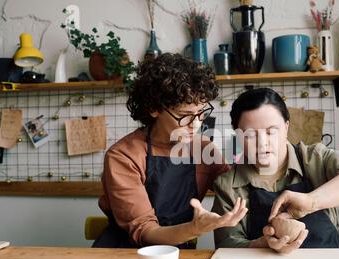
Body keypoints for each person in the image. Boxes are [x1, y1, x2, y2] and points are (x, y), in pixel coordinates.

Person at [94, 53, 247, 248]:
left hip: (178, 252)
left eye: (201, 113)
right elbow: (145, 231)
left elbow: (235, 186)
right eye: (185, 116)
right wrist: (195, 229)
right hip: (125, 254)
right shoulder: (124, 156)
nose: (196, 124)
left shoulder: (203, 149)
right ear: (154, 108)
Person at [212, 88, 339, 254]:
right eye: (250, 135)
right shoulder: (228, 185)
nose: (262, 143)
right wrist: (263, 244)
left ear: (286, 128)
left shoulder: (315, 160)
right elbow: (227, 246)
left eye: (271, 132)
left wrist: (312, 201)